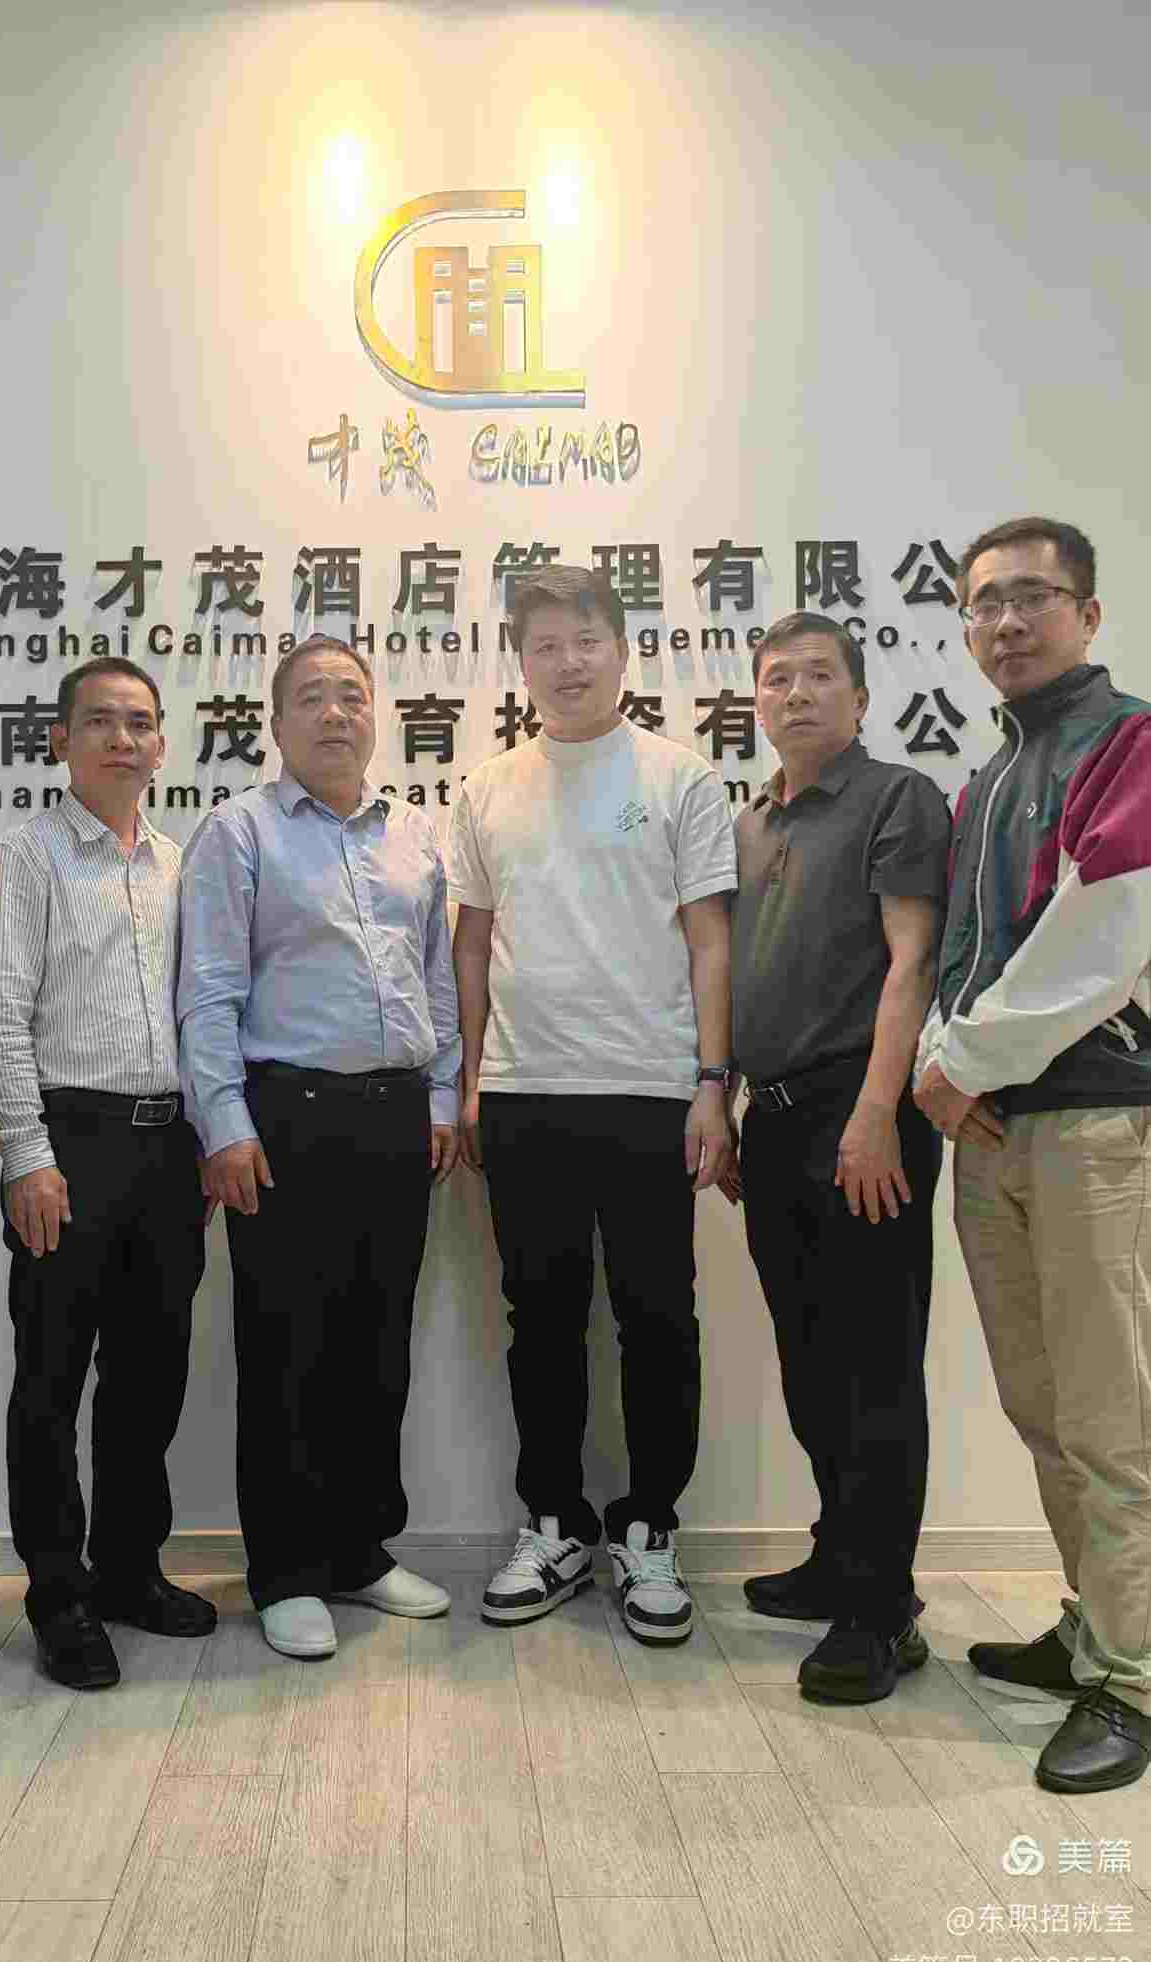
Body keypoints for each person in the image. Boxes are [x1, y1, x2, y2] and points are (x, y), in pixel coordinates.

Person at [447, 564, 736, 1644]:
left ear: (622, 650)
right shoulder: (488, 787)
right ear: (521, 662)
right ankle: (555, 1522)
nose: (566, 662)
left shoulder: (679, 777)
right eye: (545, 645)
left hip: (654, 1092)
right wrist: (470, 1081)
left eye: (586, 641)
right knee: (543, 1321)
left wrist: (711, 1082)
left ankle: (650, 1526)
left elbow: (710, 941)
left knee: (659, 1318)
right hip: (525, 1092)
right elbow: (472, 945)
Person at [915, 517, 1151, 1791]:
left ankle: (1136, 1676)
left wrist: (955, 1065)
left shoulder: (1131, 742)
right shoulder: (991, 775)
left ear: (1089, 613)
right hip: (995, 1129)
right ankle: (1094, 1626)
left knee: (1112, 1415)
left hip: (1093, 1124)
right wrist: (941, 1069)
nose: (1006, 621)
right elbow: (961, 954)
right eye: (984, 603)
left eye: (1032, 597)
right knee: (1043, 1403)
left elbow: (1098, 945)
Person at [177, 634, 460, 1660]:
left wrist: (442, 1098)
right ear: (277, 721)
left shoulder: (415, 834)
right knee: (286, 1347)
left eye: (351, 696)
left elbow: (436, 981)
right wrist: (225, 1123)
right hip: (283, 1118)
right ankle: (287, 1568)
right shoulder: (238, 831)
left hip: (397, 1119)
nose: (335, 714)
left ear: (375, 713)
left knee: (376, 1343)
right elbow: (208, 990)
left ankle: (357, 1549)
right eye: (311, 698)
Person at [0, 660, 216, 1692]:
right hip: (68, 1141)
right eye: (101, 722)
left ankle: (128, 1569)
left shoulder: (177, 864)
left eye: (140, 723)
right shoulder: (19, 859)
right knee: (51, 1378)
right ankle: (57, 1593)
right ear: (59, 740)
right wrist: (27, 1153)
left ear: (162, 745)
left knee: (150, 1374)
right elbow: (0, 1016)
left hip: (168, 1148)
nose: (123, 739)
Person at [726, 611, 950, 1703]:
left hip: (862, 1118)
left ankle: (879, 1610)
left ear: (859, 699)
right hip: (772, 1121)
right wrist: (730, 1104)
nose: (798, 693)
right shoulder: (752, 820)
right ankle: (838, 1555)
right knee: (811, 1358)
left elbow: (913, 962)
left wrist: (874, 1113)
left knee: (874, 1364)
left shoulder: (896, 798)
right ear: (757, 703)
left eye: (821, 676)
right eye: (778, 678)